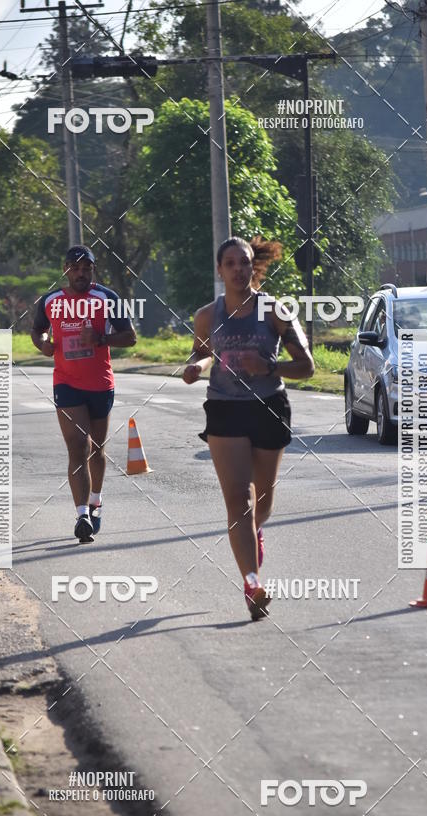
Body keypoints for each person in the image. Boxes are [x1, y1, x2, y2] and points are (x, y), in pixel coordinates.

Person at [183, 236, 315, 621]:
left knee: (263, 505)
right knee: (238, 500)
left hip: (268, 407)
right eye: (230, 264)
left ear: (252, 266)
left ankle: (254, 535)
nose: (238, 270)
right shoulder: (207, 315)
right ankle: (252, 583)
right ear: (220, 270)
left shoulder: (275, 311)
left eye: (244, 263)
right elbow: (203, 351)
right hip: (224, 408)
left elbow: (306, 367)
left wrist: (269, 367)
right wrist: (196, 368)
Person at [31, 245, 136, 543]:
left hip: (100, 384)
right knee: (78, 446)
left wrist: (102, 338)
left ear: (93, 269)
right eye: (75, 268)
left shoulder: (107, 298)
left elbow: (130, 337)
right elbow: (37, 330)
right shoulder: (51, 301)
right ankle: (82, 516)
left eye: (86, 268)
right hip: (66, 383)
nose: (81, 273)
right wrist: (43, 344)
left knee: (97, 450)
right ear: (66, 269)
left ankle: (96, 501)